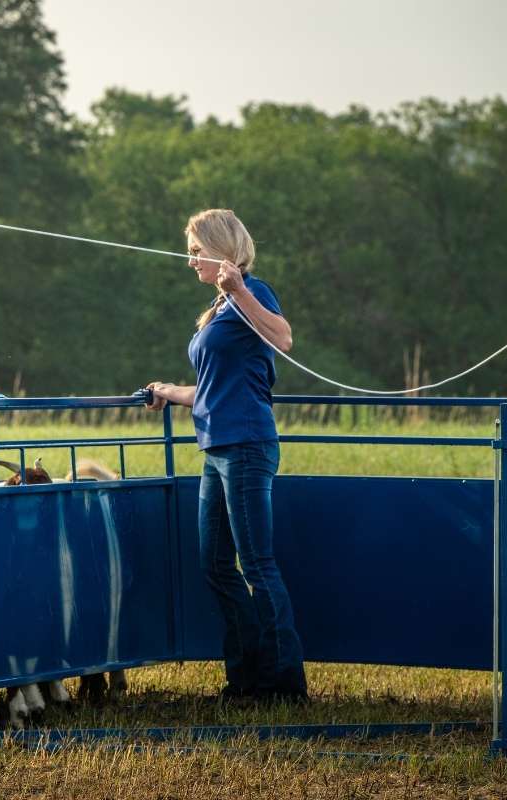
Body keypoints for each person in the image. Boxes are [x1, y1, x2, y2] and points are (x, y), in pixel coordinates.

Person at [145, 208, 308, 705]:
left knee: (256, 564)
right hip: (215, 447)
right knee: (215, 564)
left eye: (196, 250)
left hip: (246, 446)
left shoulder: (252, 292)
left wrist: (238, 290)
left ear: (221, 250)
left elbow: (283, 338)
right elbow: (212, 389)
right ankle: (245, 679)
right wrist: (168, 390)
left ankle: (283, 685)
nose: (189, 260)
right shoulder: (217, 308)